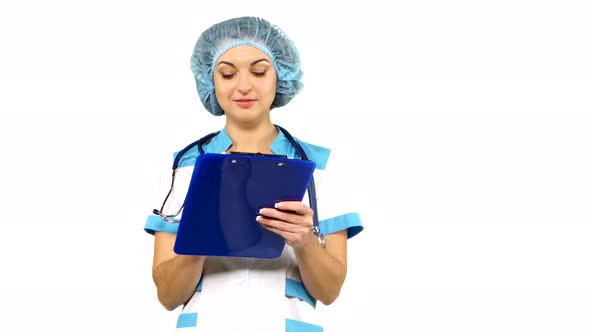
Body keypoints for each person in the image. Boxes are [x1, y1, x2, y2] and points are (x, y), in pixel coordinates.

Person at [144, 16, 363, 332]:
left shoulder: (318, 166)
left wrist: (304, 242)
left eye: (259, 71)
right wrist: (202, 238)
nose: (244, 85)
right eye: (227, 73)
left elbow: (329, 292)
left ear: (279, 77)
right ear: (211, 80)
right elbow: (167, 296)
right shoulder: (184, 167)